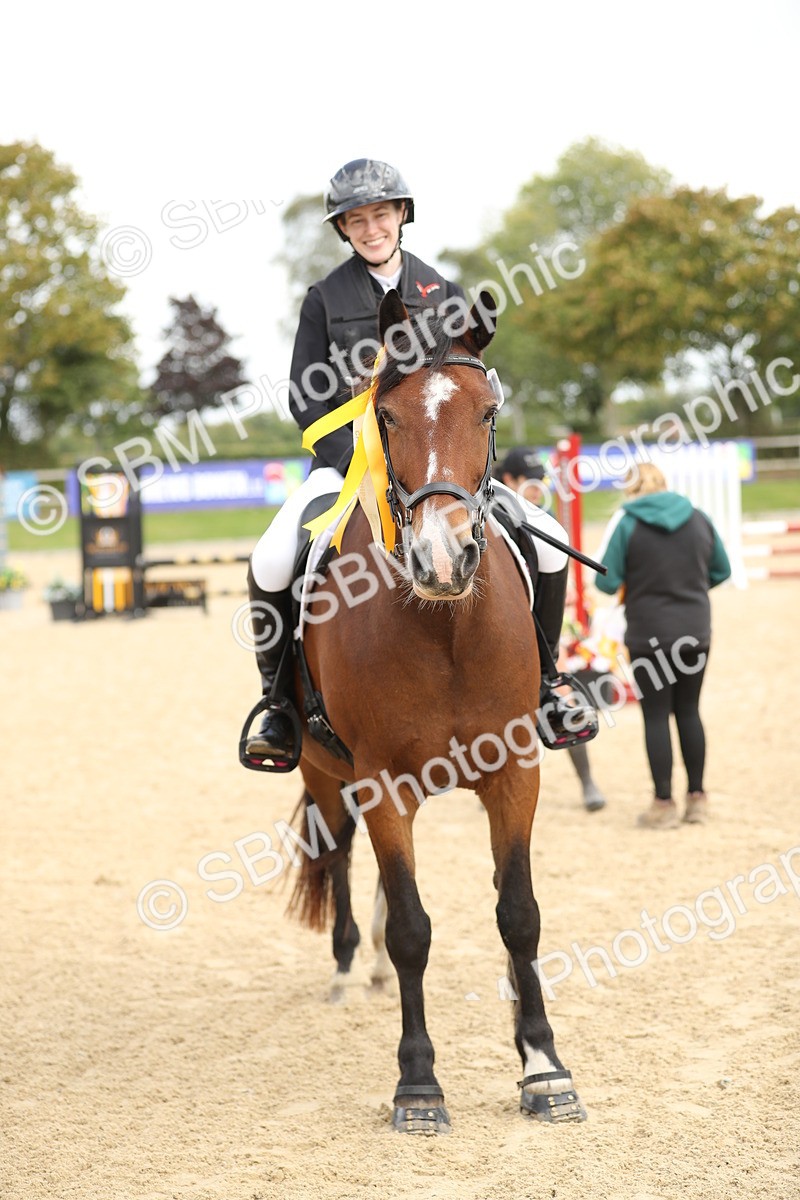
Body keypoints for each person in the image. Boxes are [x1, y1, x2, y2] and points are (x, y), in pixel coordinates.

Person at [242, 158, 597, 768]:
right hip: (348, 462)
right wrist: (357, 458)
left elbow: (466, 385)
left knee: (549, 538)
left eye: (380, 214)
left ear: (401, 215)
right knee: (272, 557)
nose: (371, 228)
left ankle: (546, 683)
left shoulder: (445, 293)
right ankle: (277, 704)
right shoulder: (324, 299)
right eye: (357, 220)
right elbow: (305, 394)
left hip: (444, 471)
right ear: (344, 229)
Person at [594, 463, 731, 828]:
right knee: (689, 710)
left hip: (649, 633)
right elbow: (722, 571)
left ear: (631, 490)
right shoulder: (699, 518)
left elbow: (605, 583)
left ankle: (663, 804)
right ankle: (698, 798)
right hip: (695, 630)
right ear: (665, 485)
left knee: (655, 715)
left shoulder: (627, 523)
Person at [496, 448, 607, 812]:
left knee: (561, 692)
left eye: (540, 481)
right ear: (508, 481)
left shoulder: (534, 519)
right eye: (528, 481)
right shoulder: (498, 511)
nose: (537, 488)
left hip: (536, 630)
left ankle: (587, 780)